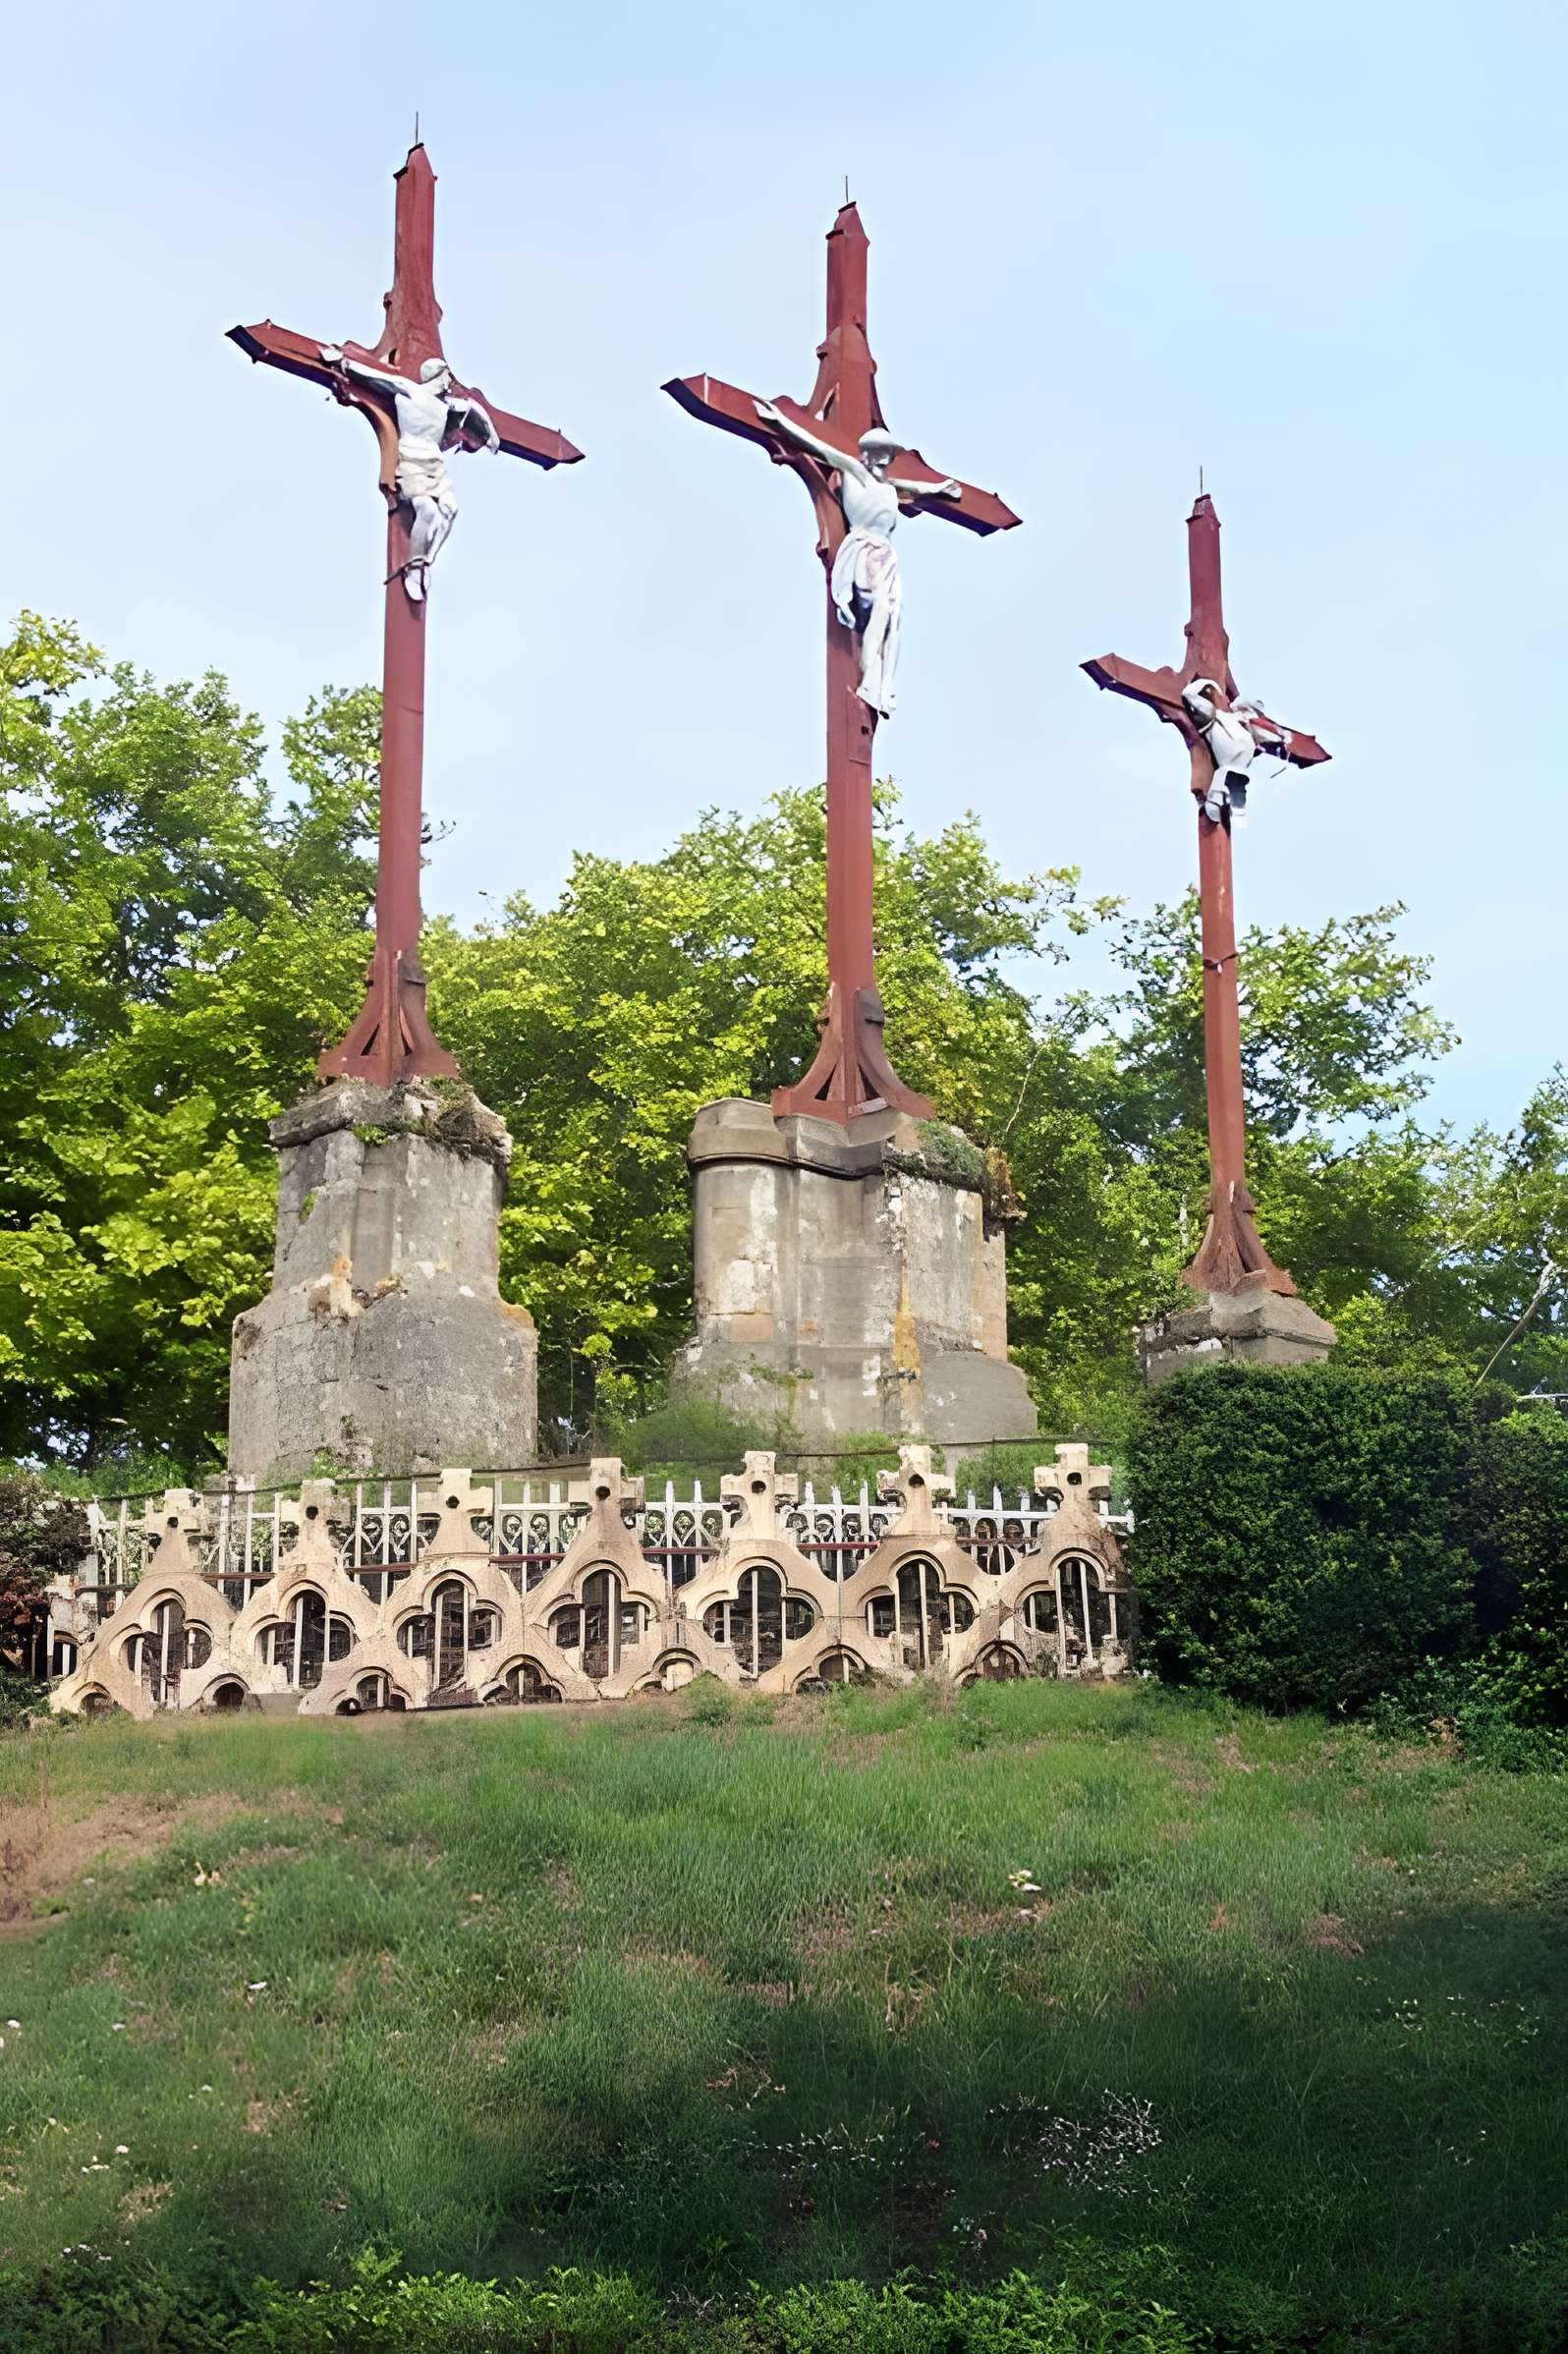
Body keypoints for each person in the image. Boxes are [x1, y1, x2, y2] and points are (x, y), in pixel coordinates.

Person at [755, 398, 961, 715]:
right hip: (863, 551)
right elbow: (818, 447)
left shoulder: (889, 487)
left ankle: (885, 686)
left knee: (895, 615)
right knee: (880, 609)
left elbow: (917, 490)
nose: (881, 460)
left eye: (886, 455)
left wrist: (941, 490)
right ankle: (869, 682)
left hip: (886, 556)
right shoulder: (854, 471)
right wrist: (781, 423)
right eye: (876, 453)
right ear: (866, 454)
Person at [320, 346, 500, 600]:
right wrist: (342, 361)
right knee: (427, 510)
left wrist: (492, 436)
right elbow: (374, 377)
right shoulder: (408, 389)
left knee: (449, 512)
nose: (450, 383)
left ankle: (427, 561)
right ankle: (415, 566)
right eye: (447, 377)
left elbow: (474, 409)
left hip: (434, 464)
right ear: (438, 375)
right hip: (412, 458)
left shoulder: (446, 406)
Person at [1181, 676, 1291, 825]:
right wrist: (1205, 684)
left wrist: (1280, 737)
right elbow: (1189, 695)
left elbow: (1265, 733)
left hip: (1240, 769)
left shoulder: (1240, 720)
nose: (1225, 699)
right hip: (1226, 767)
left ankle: (1234, 811)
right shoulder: (1210, 717)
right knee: (1222, 797)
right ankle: (1217, 808)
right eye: (1219, 695)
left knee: (1237, 793)